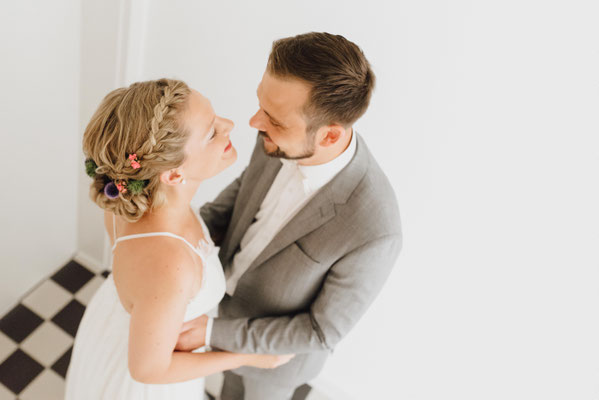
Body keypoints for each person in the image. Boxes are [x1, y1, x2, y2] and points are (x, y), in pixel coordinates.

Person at [176, 32, 402, 400]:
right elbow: (244, 193)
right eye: (260, 105)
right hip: (213, 310)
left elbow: (320, 331)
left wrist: (211, 333)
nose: (253, 122)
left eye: (274, 119)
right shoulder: (274, 133)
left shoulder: (375, 229)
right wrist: (178, 237)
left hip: (273, 366)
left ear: (329, 136)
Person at [65, 78, 294, 399]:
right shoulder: (169, 265)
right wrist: (249, 356)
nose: (229, 124)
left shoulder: (125, 195)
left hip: (120, 327)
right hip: (146, 371)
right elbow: (148, 370)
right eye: (212, 131)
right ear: (173, 175)